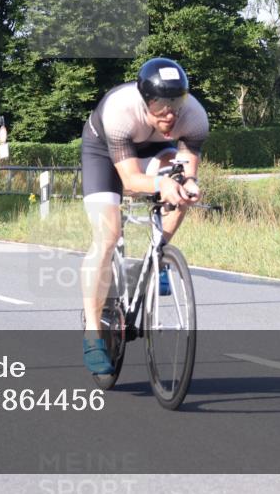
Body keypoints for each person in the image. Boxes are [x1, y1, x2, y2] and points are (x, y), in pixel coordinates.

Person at [79, 58, 208, 374]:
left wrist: (187, 184)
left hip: (154, 150)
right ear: (144, 99)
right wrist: (160, 184)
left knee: (179, 188)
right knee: (108, 236)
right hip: (103, 151)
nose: (169, 114)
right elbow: (131, 182)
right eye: (160, 106)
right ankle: (93, 334)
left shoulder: (195, 116)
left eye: (175, 104)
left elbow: (187, 170)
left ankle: (156, 257)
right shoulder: (120, 110)